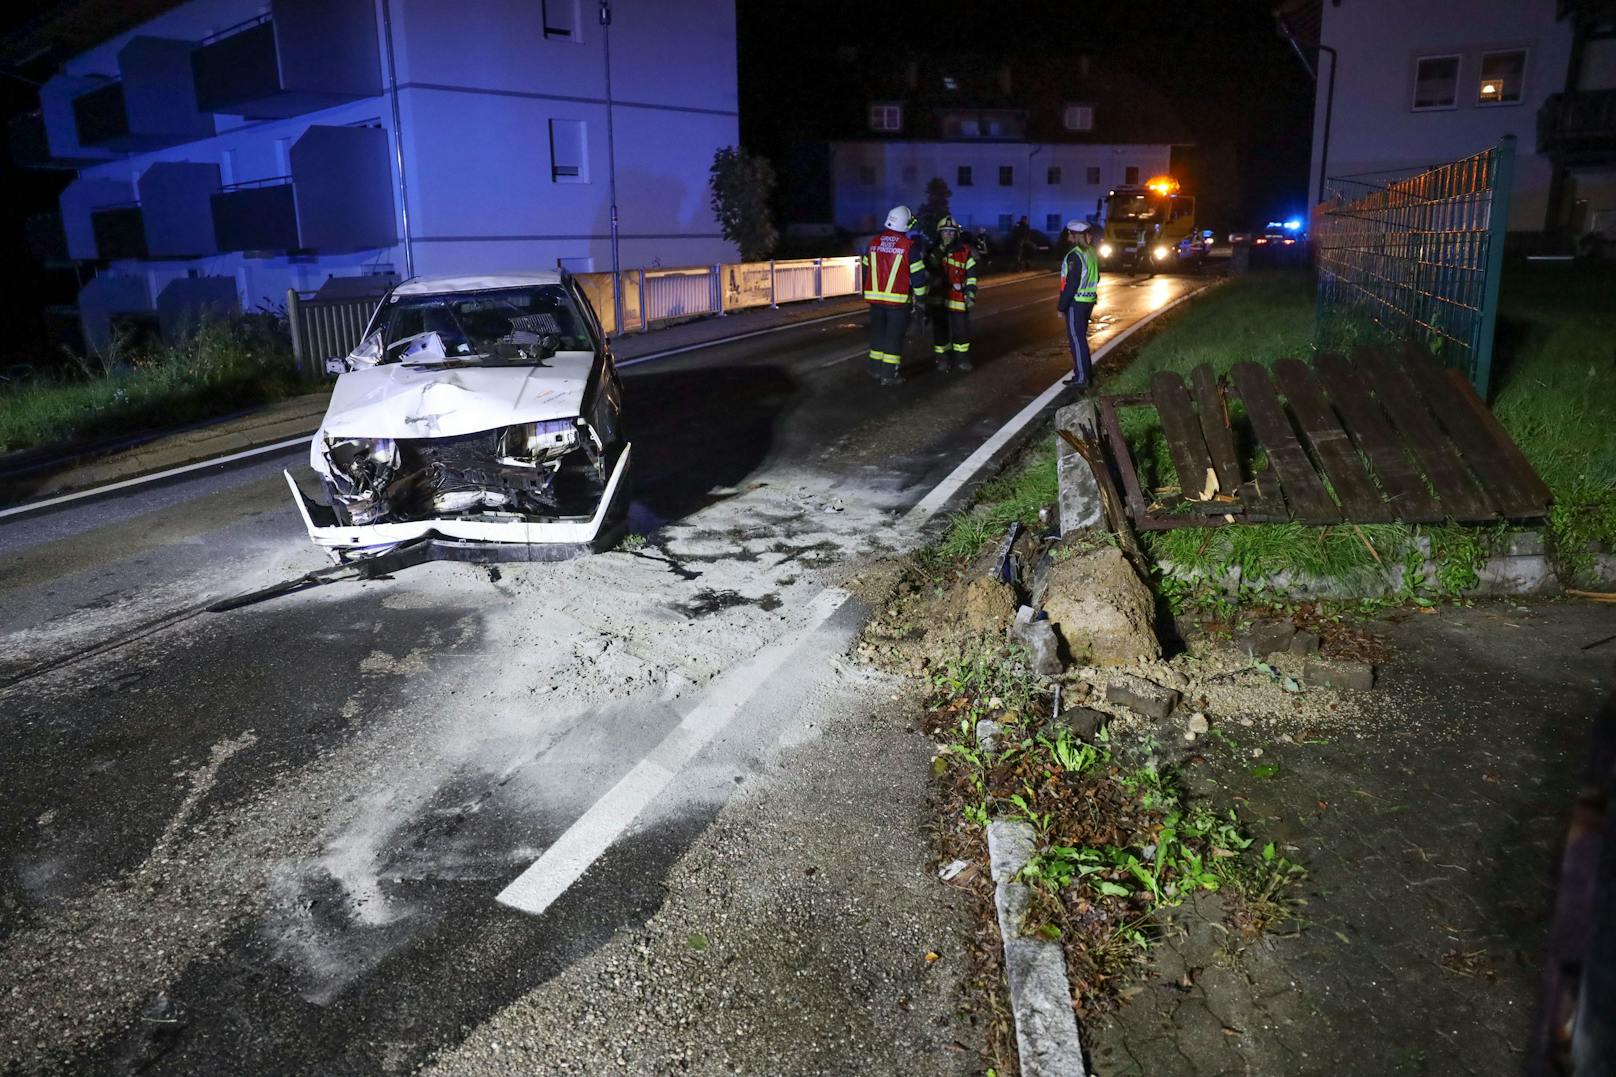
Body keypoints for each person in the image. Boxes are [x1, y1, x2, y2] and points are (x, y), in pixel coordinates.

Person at [862, 205, 929, 386]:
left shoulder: (873, 243)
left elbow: (865, 271)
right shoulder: (909, 247)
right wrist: (921, 300)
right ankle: (889, 375)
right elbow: (918, 277)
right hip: (898, 303)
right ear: (905, 224)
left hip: (875, 302)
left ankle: (875, 369)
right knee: (893, 338)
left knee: (878, 335)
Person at [929, 215, 978, 373]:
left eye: (951, 232)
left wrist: (970, 293)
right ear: (939, 234)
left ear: (956, 234)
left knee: (961, 331)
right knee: (941, 331)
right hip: (939, 298)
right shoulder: (933, 251)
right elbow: (929, 266)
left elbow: (971, 275)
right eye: (945, 232)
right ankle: (942, 359)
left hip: (958, 298)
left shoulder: (965, 252)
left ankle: (962, 360)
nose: (948, 235)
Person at [1056, 219, 1100, 389]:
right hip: (1088, 300)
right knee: (1080, 339)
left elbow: (1071, 284)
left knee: (1076, 340)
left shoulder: (1075, 255)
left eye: (1069, 233)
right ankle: (1081, 374)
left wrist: (1061, 306)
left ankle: (1082, 378)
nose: (1068, 236)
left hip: (1076, 302)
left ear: (1075, 235)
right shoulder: (1091, 253)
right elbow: (1097, 277)